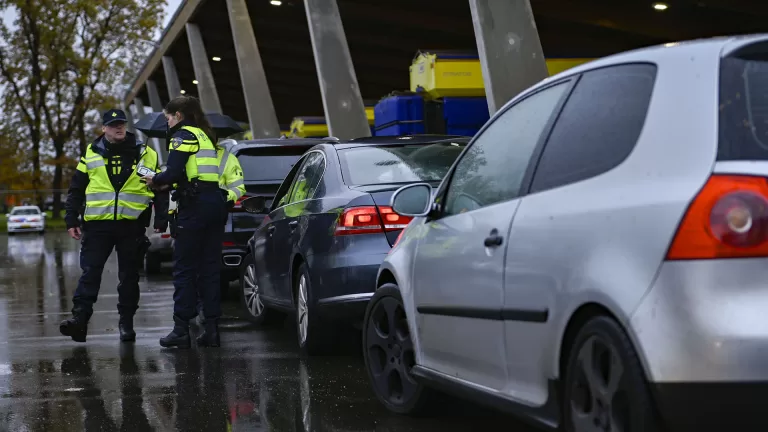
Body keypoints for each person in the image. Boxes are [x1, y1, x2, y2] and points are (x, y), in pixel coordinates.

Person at [61, 109, 168, 343]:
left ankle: (126, 324)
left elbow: (160, 188)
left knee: (129, 277)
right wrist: (71, 219)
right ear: (104, 129)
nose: (118, 128)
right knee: (90, 273)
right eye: (112, 125)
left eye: (121, 124)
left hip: (131, 226)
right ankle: (79, 321)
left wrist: (161, 218)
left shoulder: (145, 153)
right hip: (97, 226)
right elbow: (76, 189)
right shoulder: (91, 153)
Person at [144, 96, 226, 349]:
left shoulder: (182, 136)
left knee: (184, 268)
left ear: (178, 115)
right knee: (210, 269)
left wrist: (155, 178)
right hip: (214, 204)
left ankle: (181, 329)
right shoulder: (205, 135)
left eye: (168, 118)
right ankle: (211, 329)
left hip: (195, 207)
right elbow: (193, 173)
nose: (167, 123)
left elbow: (173, 172)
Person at [194, 145, 246, 326]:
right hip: (192, 219)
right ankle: (199, 309)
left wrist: (223, 198)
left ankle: (209, 314)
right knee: (192, 268)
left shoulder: (226, 157)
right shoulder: (186, 153)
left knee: (209, 268)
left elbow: (238, 187)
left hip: (215, 218)